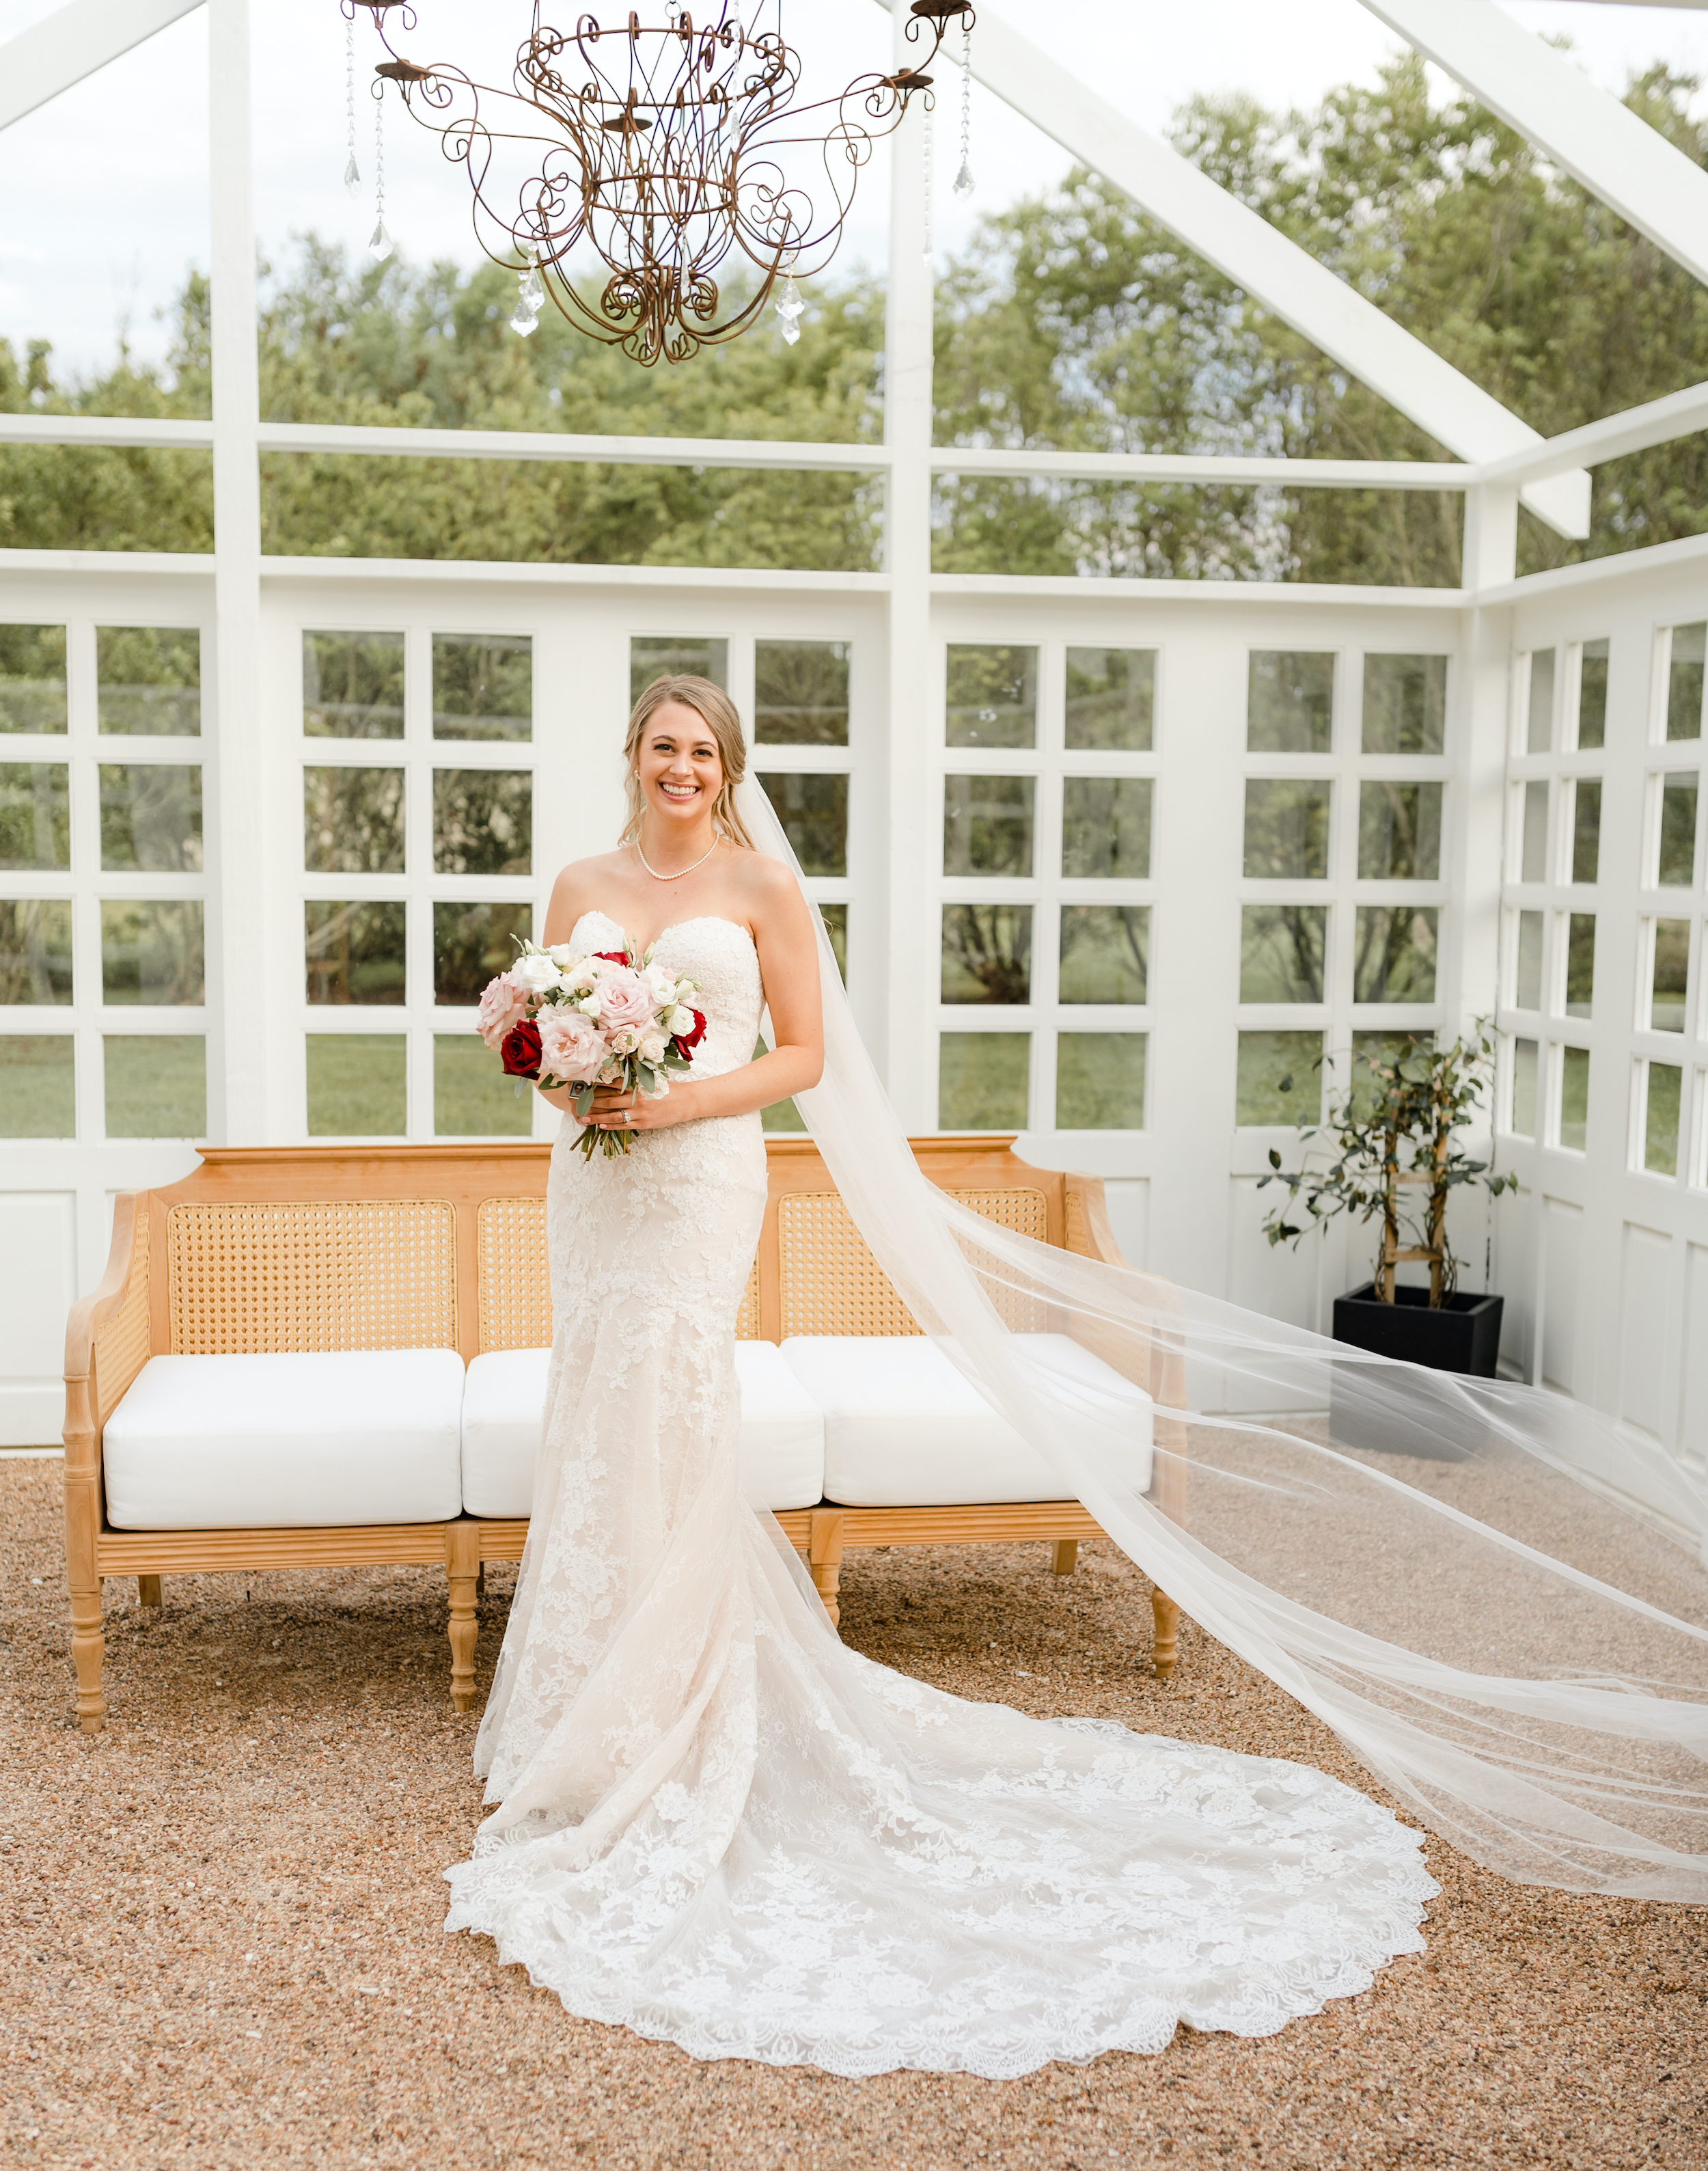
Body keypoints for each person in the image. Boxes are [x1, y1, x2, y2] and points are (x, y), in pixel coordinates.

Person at [443, 675, 1436, 2076]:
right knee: (599, 1409)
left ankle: (675, 1708)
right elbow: (539, 1031)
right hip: (594, 1186)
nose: (681, 767)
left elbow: (799, 1050)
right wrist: (573, 1078)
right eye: (663, 746)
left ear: (728, 768)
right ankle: (576, 1703)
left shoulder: (761, 883)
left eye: (703, 751)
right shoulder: (579, 880)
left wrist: (673, 1095)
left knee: (675, 1407)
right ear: (632, 755)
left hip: (700, 1178)